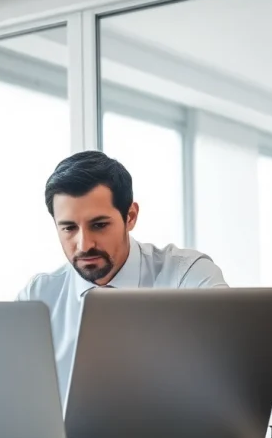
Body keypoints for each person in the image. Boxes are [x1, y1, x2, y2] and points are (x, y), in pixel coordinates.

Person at [17, 150, 227, 398]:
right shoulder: (38, 298)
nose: (84, 244)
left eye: (99, 225)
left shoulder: (187, 275)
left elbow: (228, 362)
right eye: (69, 228)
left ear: (130, 216)